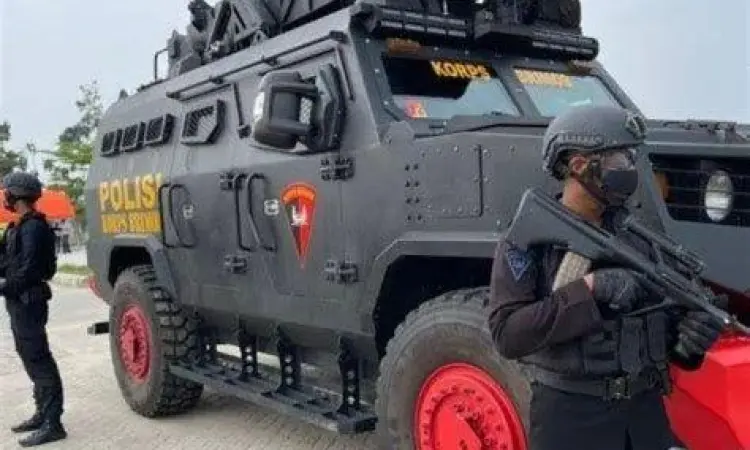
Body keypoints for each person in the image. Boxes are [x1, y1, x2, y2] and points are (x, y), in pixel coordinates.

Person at [487, 105, 725, 450]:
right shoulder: (528, 241)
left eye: (630, 158)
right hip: (573, 421)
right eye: (618, 159)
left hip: (644, 419)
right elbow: (507, 335)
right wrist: (590, 289)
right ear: (580, 165)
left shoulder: (638, 238)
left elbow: (657, 334)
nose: (629, 168)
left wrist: (689, 340)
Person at [0, 172, 66, 447]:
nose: (4, 196)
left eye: (6, 192)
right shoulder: (17, 227)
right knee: (28, 356)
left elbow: (30, 269)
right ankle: (42, 413)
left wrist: (5, 285)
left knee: (39, 359)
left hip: (29, 301)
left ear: (16, 194)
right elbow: (7, 262)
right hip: (18, 301)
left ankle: (53, 424)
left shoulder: (34, 228)